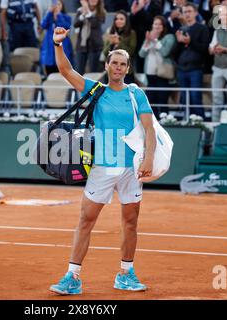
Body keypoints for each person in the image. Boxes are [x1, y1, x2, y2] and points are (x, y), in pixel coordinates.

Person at [49, 27, 156, 295]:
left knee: (130, 222)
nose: (118, 68)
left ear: (128, 68)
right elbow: (66, 71)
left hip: (132, 168)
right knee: (86, 220)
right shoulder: (96, 90)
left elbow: (150, 129)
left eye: (123, 64)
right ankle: (72, 276)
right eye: (114, 63)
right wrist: (58, 45)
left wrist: (149, 158)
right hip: (103, 168)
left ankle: (126, 273)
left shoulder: (136, 94)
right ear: (107, 65)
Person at [175, 2, 210, 118]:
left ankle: (200, 122)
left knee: (195, 97)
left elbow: (205, 49)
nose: (187, 14)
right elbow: (176, 52)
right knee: (184, 99)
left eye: (189, 11)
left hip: (195, 68)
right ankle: (186, 122)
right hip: (181, 68)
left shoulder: (202, 28)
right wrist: (179, 42)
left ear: (195, 13)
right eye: (185, 12)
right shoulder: (181, 29)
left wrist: (190, 42)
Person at [138, 16, 176, 118]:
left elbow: (165, 52)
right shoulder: (148, 38)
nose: (157, 26)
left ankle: (164, 122)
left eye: (160, 24)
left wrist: (154, 40)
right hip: (150, 76)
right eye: (155, 24)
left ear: (163, 26)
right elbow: (141, 54)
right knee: (151, 102)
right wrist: (147, 42)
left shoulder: (169, 37)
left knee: (162, 101)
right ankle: (153, 124)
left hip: (162, 75)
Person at [102, 10, 137, 83]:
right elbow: (105, 53)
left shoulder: (131, 33)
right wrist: (111, 44)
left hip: (126, 72)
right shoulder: (110, 32)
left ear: (126, 20)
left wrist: (119, 42)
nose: (118, 21)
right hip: (110, 70)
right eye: (116, 19)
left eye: (121, 19)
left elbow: (131, 51)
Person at [40, 0, 73, 75]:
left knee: (62, 69)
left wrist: (58, 15)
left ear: (62, 6)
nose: (56, 6)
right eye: (55, 4)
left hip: (63, 45)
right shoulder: (49, 16)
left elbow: (66, 27)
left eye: (58, 4)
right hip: (49, 47)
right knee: (49, 70)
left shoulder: (66, 17)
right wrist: (49, 13)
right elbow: (43, 25)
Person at [73, 0, 106, 74]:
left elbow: (95, 24)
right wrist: (82, 15)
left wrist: (87, 11)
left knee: (93, 73)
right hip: (81, 45)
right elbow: (75, 24)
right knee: (78, 71)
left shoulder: (101, 12)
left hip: (95, 46)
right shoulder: (80, 10)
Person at [130, 0, 162, 73]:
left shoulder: (156, 6)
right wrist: (133, 13)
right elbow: (131, 24)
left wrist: (141, 9)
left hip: (153, 40)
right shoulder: (136, 5)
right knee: (139, 65)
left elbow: (153, 22)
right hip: (138, 40)